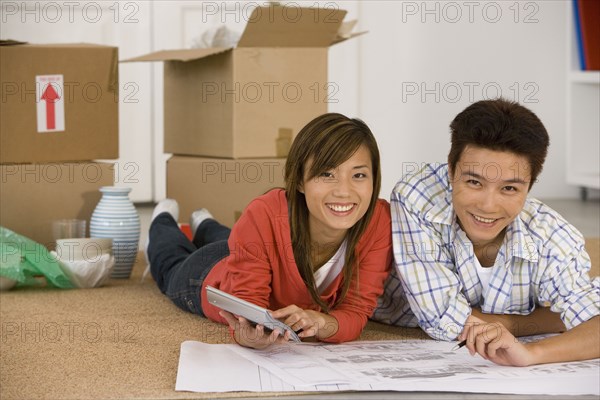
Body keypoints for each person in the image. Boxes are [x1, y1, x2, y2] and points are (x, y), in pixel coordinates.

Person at [372, 98, 599, 366]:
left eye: (509, 189)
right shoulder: (418, 196)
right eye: (473, 182)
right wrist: (546, 319)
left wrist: (532, 353)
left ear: (530, 186)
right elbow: (443, 321)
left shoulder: (551, 236)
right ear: (450, 169)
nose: (488, 206)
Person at [147, 113, 392, 349]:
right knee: (170, 261)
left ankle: (204, 222)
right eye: (326, 174)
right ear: (299, 181)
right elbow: (248, 311)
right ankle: (162, 218)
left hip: (248, 252)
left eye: (359, 175)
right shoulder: (264, 213)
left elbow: (356, 312)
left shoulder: (378, 219)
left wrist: (321, 322)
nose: (344, 191)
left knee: (232, 238)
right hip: (208, 273)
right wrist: (249, 335)